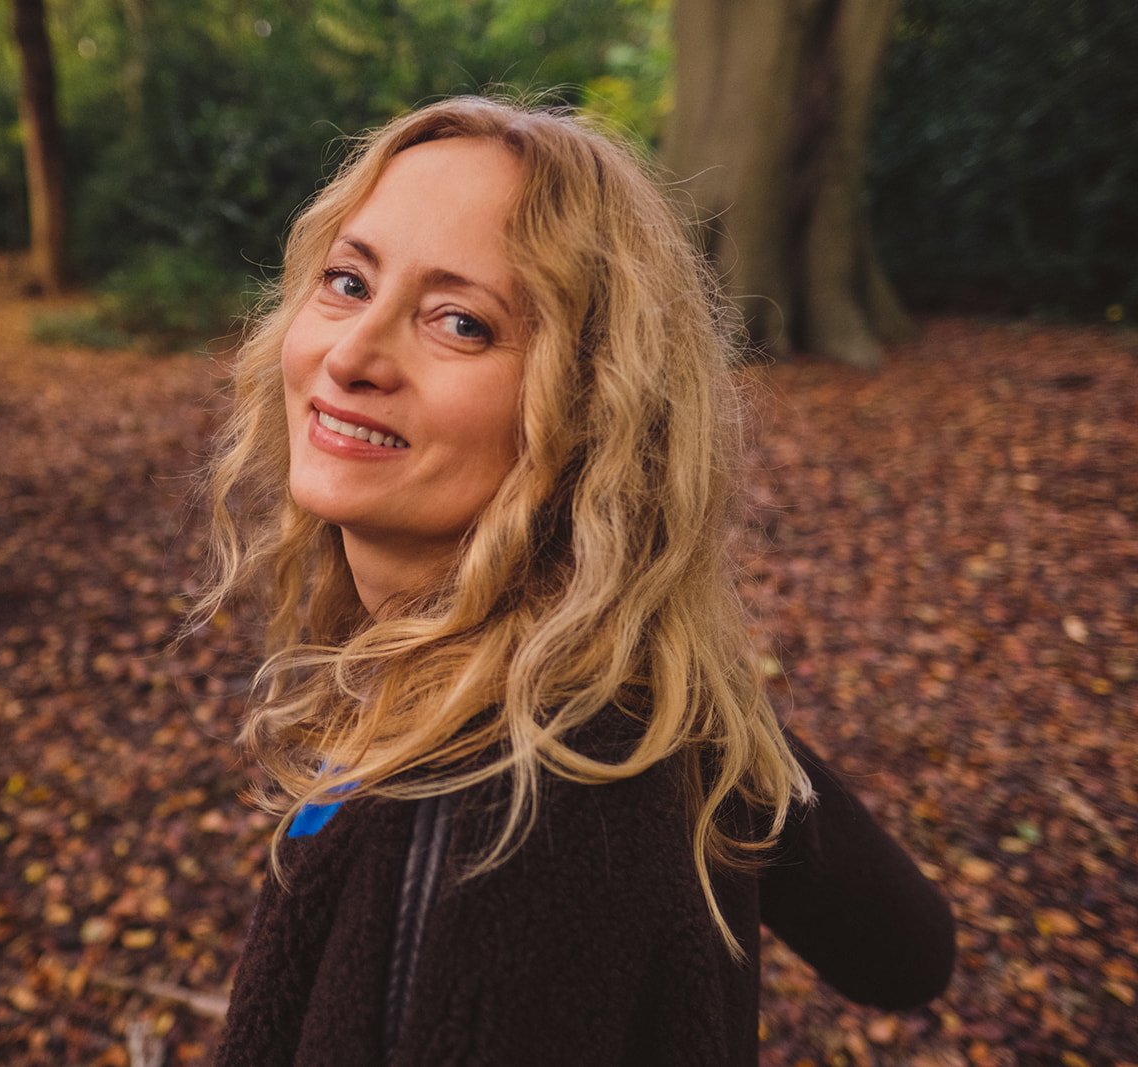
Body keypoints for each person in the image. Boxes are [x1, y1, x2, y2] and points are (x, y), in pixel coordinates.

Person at [195, 97, 955, 1066]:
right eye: (348, 280)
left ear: (592, 410)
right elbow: (905, 947)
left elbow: (905, 954)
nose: (349, 355)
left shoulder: (505, 815)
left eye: (461, 322)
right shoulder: (657, 694)